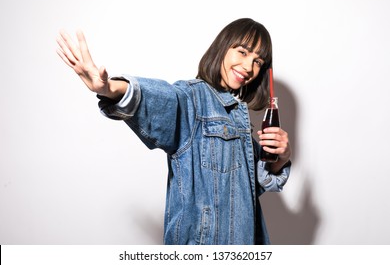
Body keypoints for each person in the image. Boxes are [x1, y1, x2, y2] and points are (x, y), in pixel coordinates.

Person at [56, 18, 292, 245]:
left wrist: (280, 159)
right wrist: (110, 88)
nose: (249, 67)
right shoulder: (192, 98)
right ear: (222, 47)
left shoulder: (237, 116)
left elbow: (245, 190)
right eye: (242, 52)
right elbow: (162, 99)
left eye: (258, 61)